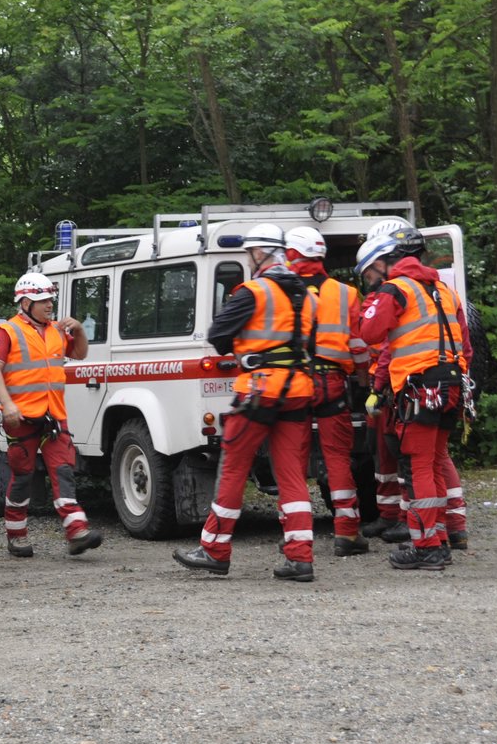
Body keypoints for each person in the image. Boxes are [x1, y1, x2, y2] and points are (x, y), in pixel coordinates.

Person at [174, 223, 319, 582]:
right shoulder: (308, 296)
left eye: (249, 253)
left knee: (234, 467)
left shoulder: (252, 292)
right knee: (291, 475)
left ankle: (214, 549)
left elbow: (218, 335)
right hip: (298, 391)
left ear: (259, 253)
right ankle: (300, 557)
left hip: (259, 391)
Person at [358, 227, 473, 571]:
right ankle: (436, 538)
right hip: (453, 387)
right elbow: (465, 343)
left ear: (390, 260)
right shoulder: (444, 290)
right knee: (435, 462)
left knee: (419, 465)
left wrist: (374, 299)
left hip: (421, 388)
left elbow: (369, 333)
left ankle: (426, 546)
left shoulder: (397, 289)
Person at [0, 271, 103, 558]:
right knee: (22, 475)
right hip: (21, 417)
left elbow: (81, 354)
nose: (49, 305)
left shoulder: (56, 330)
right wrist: (8, 405)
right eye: (42, 300)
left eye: (50, 299)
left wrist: (81, 331)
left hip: (53, 415)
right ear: (25, 303)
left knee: (63, 470)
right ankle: (17, 534)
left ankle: (77, 531)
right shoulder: (7, 331)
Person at [285, 225, 371, 556]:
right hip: (333, 383)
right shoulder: (347, 293)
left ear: (293, 254)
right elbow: (359, 343)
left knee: (291, 459)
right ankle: (347, 533)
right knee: (337, 457)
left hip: (294, 384)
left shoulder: (280, 290)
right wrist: (364, 377)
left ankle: (295, 535)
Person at [352, 234, 409, 545]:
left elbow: (389, 346)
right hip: (384, 388)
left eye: (368, 273)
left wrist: (378, 384)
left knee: (405, 456)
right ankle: (388, 515)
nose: (367, 281)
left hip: (395, 386)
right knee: (382, 455)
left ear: (380, 264)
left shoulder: (397, 295)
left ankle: (411, 518)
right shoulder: (379, 297)